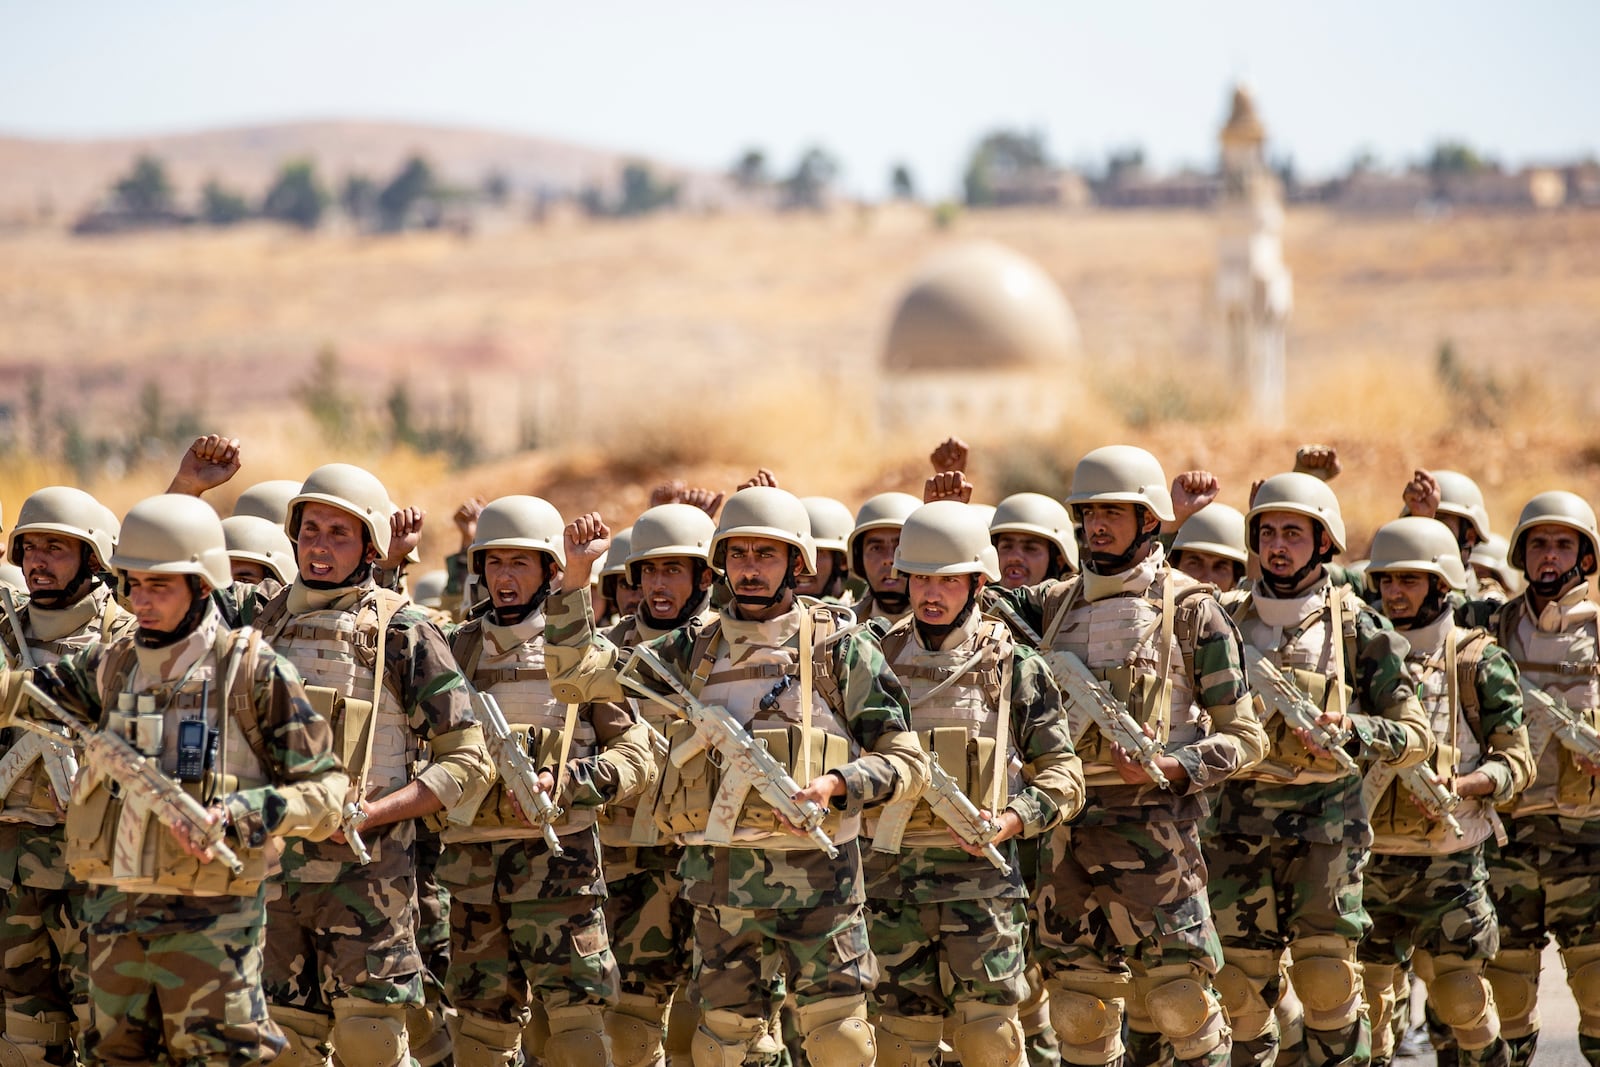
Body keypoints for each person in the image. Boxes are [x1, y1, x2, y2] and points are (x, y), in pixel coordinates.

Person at [544, 485, 929, 1067]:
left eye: (766, 555)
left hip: (822, 878)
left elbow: (906, 761)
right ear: (721, 563)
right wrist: (576, 578)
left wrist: (836, 785)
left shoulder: (840, 647)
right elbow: (575, 677)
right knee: (724, 1045)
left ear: (797, 563)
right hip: (721, 883)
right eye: (739, 554)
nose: (750, 569)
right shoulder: (688, 651)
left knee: (839, 1040)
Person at [0, 493, 345, 1066]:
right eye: (133, 584)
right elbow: (23, 697)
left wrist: (241, 814)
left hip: (210, 927)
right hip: (115, 918)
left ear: (203, 584)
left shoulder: (252, 671)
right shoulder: (113, 666)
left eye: (160, 585)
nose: (141, 600)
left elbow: (328, 793)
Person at [987, 446, 1266, 1067]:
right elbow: (962, 603)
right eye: (1089, 513)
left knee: (1180, 1005)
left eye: (1116, 511)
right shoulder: (1051, 605)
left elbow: (1246, 738)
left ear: (1149, 521)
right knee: (1078, 1013)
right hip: (1063, 832)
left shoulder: (1192, 609)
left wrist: (1170, 766)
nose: (1098, 526)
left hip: (1155, 831)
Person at [221, 463, 494, 1067]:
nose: (319, 546)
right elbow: (155, 588)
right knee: (282, 1043)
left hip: (368, 879)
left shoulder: (404, 630)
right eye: (309, 530)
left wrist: (376, 813)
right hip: (272, 876)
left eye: (338, 534)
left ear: (370, 544)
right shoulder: (254, 620)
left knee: (370, 1041)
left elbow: (469, 760)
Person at [1210, 472, 1432, 1067]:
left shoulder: (1357, 626)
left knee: (1328, 982)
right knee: (1237, 990)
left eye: (1294, 533)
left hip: (1327, 834)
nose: (1278, 545)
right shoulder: (1220, 621)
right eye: (1268, 533)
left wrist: (1353, 730)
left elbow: (1416, 736)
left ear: (1325, 542)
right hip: (1235, 832)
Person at [865, 501, 1084, 1067]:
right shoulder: (871, 659)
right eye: (919, 579)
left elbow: (1064, 776)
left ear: (978, 582)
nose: (929, 594)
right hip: (891, 883)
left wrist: (1011, 819)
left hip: (981, 889)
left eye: (946, 581)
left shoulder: (1017, 666)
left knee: (988, 1042)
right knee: (900, 1044)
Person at [442, 495, 654, 1067]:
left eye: (519, 563)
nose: (504, 577)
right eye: (494, 563)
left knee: (576, 1036)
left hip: (560, 874)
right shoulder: (452, 651)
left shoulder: (581, 654)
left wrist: (574, 784)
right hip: (470, 871)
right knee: (479, 1038)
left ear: (548, 571)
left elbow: (638, 750)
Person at [1359, 517, 1529, 1067]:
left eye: (1409, 580)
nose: (1394, 593)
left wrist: (1464, 785)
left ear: (1440, 585)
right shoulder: (1359, 654)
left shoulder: (1478, 660)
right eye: (1386, 581)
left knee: (1463, 1004)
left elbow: (1515, 763)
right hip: (1366, 862)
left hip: (1449, 868)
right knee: (1367, 1012)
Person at [1460, 491, 1600, 1067]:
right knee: (1506, 997)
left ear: (1585, 557)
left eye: (1563, 544)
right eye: (1538, 543)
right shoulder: (1489, 624)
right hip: (1507, 836)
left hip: (1587, 842)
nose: (1549, 555)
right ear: (1520, 553)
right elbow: (1404, 600)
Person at [0, 487, 133, 1065]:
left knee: (115, 1038)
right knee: (26, 1041)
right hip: (11, 870)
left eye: (57, 547)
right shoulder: (4, 634)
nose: (38, 560)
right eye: (29, 547)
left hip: (99, 876)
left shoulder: (131, 637)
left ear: (95, 558)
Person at [848, 494, 921, 624]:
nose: (888, 559)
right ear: (859, 559)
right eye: (876, 548)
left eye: (900, 546)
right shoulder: (841, 627)